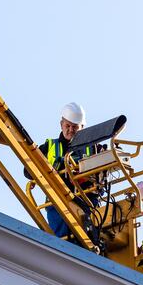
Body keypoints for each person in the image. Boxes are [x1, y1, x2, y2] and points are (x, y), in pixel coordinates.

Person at [31, 102, 95, 238]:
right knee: (62, 243)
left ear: (82, 127)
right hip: (57, 201)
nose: (70, 130)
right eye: (68, 126)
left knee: (88, 238)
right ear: (61, 124)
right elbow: (27, 170)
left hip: (86, 200)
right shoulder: (49, 147)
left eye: (75, 127)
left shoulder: (93, 148)